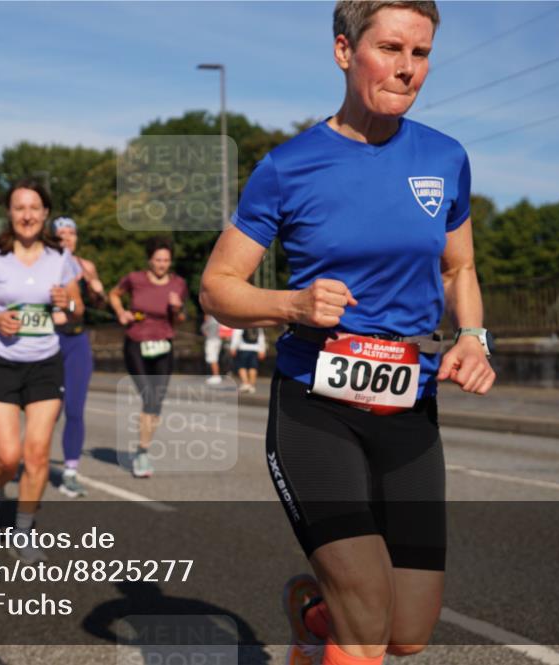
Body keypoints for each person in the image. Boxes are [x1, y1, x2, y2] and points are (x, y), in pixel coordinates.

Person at [199, 3, 496, 664]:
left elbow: (461, 266)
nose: (407, 68)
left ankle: (312, 615)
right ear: (343, 50)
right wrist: (292, 304)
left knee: (408, 632)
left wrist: (474, 335)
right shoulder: (289, 165)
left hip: (409, 408)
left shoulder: (445, 158)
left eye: (420, 53)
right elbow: (218, 285)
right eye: (390, 47)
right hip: (316, 409)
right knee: (365, 613)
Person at [0, 178, 83, 562]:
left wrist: (67, 301)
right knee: (9, 457)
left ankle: (24, 530)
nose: (26, 215)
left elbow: (76, 306)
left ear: (44, 213)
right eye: (19, 208)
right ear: (10, 214)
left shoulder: (60, 257)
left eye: (34, 208)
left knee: (39, 454)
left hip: (45, 362)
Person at [108, 237, 189, 479]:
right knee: (149, 397)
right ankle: (142, 453)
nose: (162, 264)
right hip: (136, 343)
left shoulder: (179, 284)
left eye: (166, 260)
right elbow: (114, 294)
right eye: (158, 260)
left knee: (157, 402)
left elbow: (181, 318)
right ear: (149, 260)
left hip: (163, 344)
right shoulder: (135, 279)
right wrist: (121, 312)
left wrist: (177, 309)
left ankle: (143, 449)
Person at [52, 216, 106, 498]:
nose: (66, 238)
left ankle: (70, 470)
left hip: (76, 340)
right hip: (49, 340)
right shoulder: (44, 264)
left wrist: (96, 286)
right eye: (61, 233)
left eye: (71, 233)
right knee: (49, 410)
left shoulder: (85, 266)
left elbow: (97, 304)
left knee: (75, 407)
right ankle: (32, 459)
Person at [229, 326, 267, 393]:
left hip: (243, 348)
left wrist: (233, 347)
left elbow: (236, 336)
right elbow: (261, 338)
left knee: (241, 366)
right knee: (253, 367)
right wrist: (262, 350)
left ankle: (245, 383)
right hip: (255, 349)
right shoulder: (258, 325)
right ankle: (252, 386)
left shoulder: (242, 323)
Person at [201, 314, 224, 385]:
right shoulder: (218, 320)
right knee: (214, 358)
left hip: (211, 341)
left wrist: (206, 321)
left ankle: (216, 376)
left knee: (212, 359)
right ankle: (215, 375)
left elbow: (203, 329)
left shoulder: (210, 320)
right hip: (218, 340)